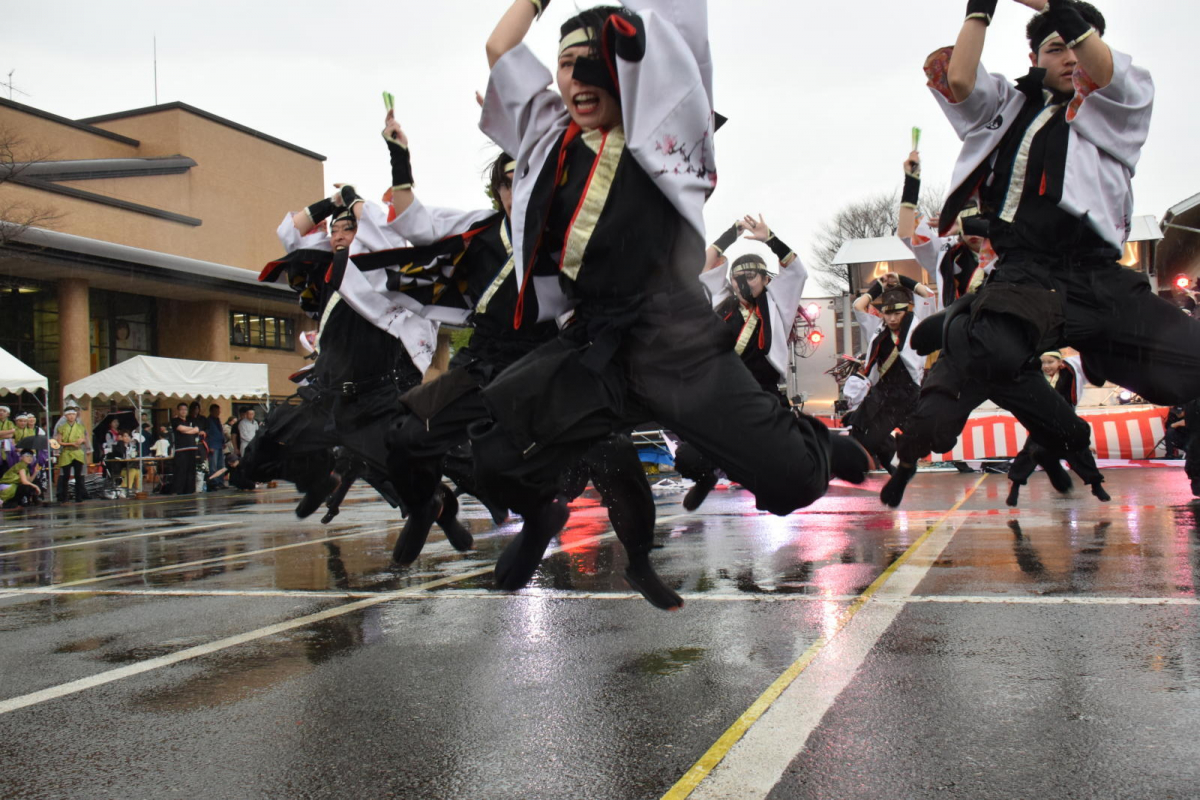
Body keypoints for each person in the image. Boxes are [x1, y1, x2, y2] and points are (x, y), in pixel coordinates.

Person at [470, 0, 868, 594]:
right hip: (595, 343)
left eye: (595, 62)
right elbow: (500, 49)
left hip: (676, 342)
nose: (579, 77)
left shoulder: (666, 132)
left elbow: (677, 40)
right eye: (567, 65)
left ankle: (820, 445)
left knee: (791, 483)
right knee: (491, 452)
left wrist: (637, 44)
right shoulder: (548, 136)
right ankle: (539, 518)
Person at [880, 0, 1168, 508]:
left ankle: (1062, 457)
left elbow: (1097, 68)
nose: (977, 229)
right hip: (986, 330)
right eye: (1054, 49)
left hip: (1038, 324)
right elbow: (961, 83)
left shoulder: (1018, 251)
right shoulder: (947, 254)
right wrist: (913, 183)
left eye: (984, 218)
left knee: (1072, 416)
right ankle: (908, 462)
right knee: (938, 413)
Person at [675, 214, 809, 510]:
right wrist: (730, 235)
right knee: (688, 456)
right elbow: (703, 266)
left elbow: (797, 272)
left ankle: (767, 486)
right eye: (738, 276)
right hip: (723, 394)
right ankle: (705, 477)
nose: (743, 282)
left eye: (751, 276)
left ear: (765, 279)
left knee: (774, 459)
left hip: (762, 393)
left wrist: (769, 238)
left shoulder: (777, 305)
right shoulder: (721, 301)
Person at [849, 277, 936, 474]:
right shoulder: (877, 327)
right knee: (864, 437)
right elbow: (858, 306)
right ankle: (888, 454)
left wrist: (902, 279)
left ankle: (896, 458)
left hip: (910, 393)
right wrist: (879, 286)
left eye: (897, 313)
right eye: (888, 314)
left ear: (906, 311)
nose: (892, 319)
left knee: (928, 438)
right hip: (884, 394)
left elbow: (927, 294)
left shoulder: (917, 323)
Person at [1006, 350, 1092, 505]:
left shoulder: (1071, 373)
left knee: (1078, 451)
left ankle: (1095, 483)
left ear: (1060, 362)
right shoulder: (1036, 377)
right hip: (1042, 421)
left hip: (1065, 420)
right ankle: (1016, 484)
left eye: (1050, 362)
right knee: (1030, 451)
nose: (1046, 366)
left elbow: (1088, 361)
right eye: (1043, 362)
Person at [54, 406, 89, 502]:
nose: (71, 416)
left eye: (73, 414)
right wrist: (71, 444)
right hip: (66, 452)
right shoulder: (61, 428)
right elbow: (59, 442)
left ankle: (79, 496)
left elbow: (84, 438)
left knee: (78, 475)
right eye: (69, 414)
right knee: (66, 476)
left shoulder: (80, 427)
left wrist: (82, 441)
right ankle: (64, 496)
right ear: (65, 416)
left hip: (77, 452)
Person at [170, 403, 200, 495]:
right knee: (180, 470)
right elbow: (180, 428)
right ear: (178, 411)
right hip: (181, 449)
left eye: (185, 409)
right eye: (181, 409)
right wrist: (191, 429)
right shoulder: (175, 420)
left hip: (192, 447)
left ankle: (190, 489)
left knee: (191, 470)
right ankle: (178, 490)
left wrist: (188, 430)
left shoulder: (191, 420)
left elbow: (197, 430)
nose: (183, 411)